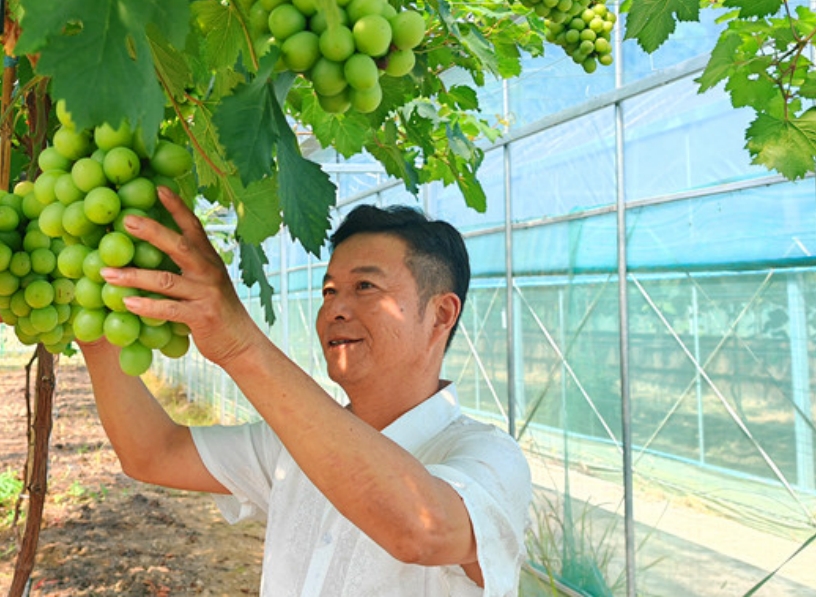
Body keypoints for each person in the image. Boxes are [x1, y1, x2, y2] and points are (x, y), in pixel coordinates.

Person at [78, 187, 532, 596]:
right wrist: (94, 335)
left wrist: (240, 345)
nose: (335, 308)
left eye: (365, 287)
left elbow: (422, 530)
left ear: (440, 314)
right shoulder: (290, 446)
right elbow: (152, 452)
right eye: (329, 290)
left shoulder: (490, 458)